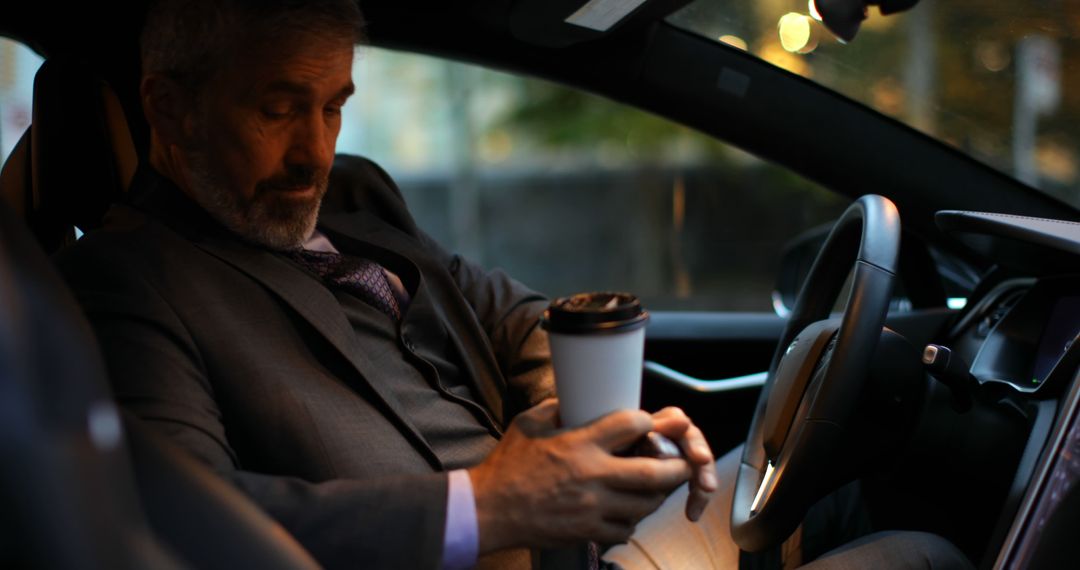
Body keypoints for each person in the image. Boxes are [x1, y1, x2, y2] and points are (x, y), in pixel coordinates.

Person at [56, 1, 717, 568]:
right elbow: (193, 525)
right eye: (279, 108)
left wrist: (596, 422)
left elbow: (513, 314)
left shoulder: (356, 194)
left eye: (334, 107)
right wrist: (489, 504)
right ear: (170, 109)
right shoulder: (124, 281)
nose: (313, 154)